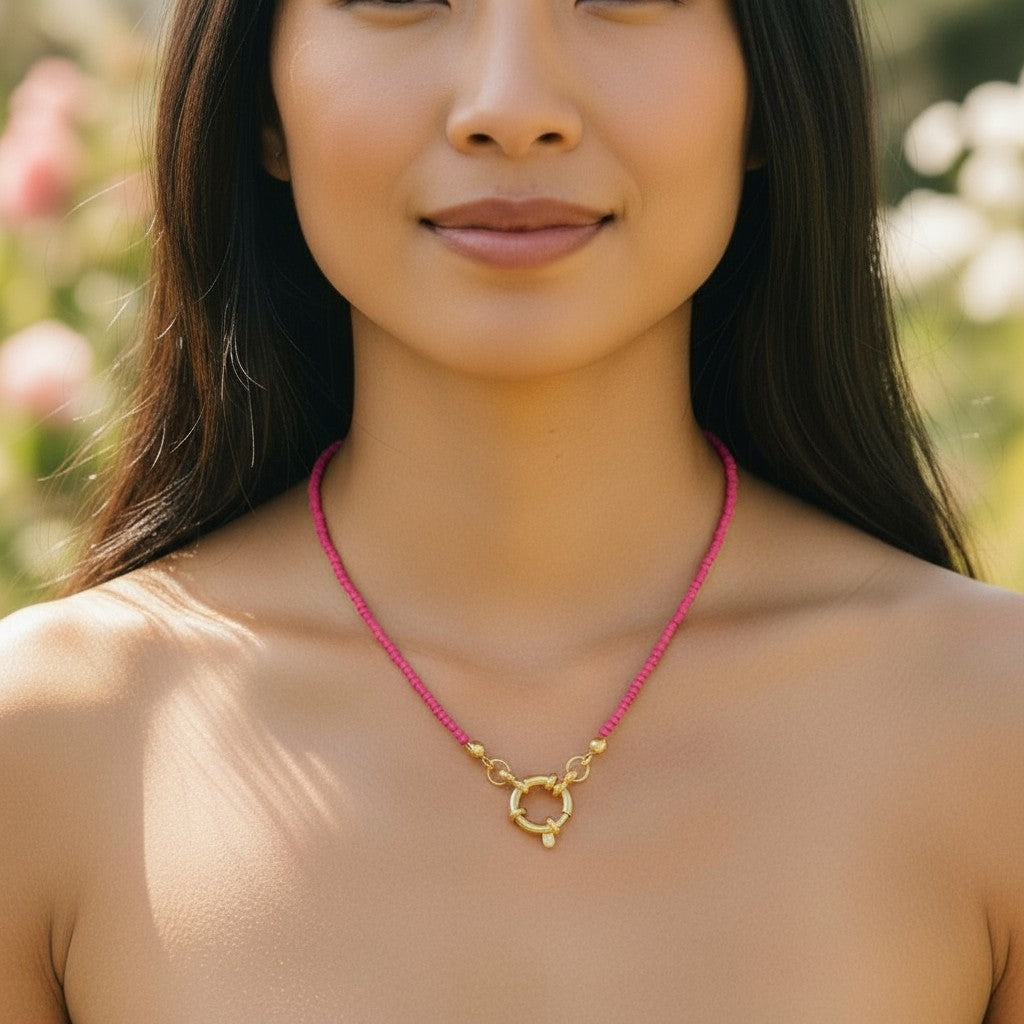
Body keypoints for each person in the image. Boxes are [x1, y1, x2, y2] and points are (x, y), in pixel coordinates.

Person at [1, 0, 1022, 1019]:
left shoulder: (992, 731)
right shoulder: (48, 749)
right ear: (263, 102)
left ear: (767, 84)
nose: (512, 108)